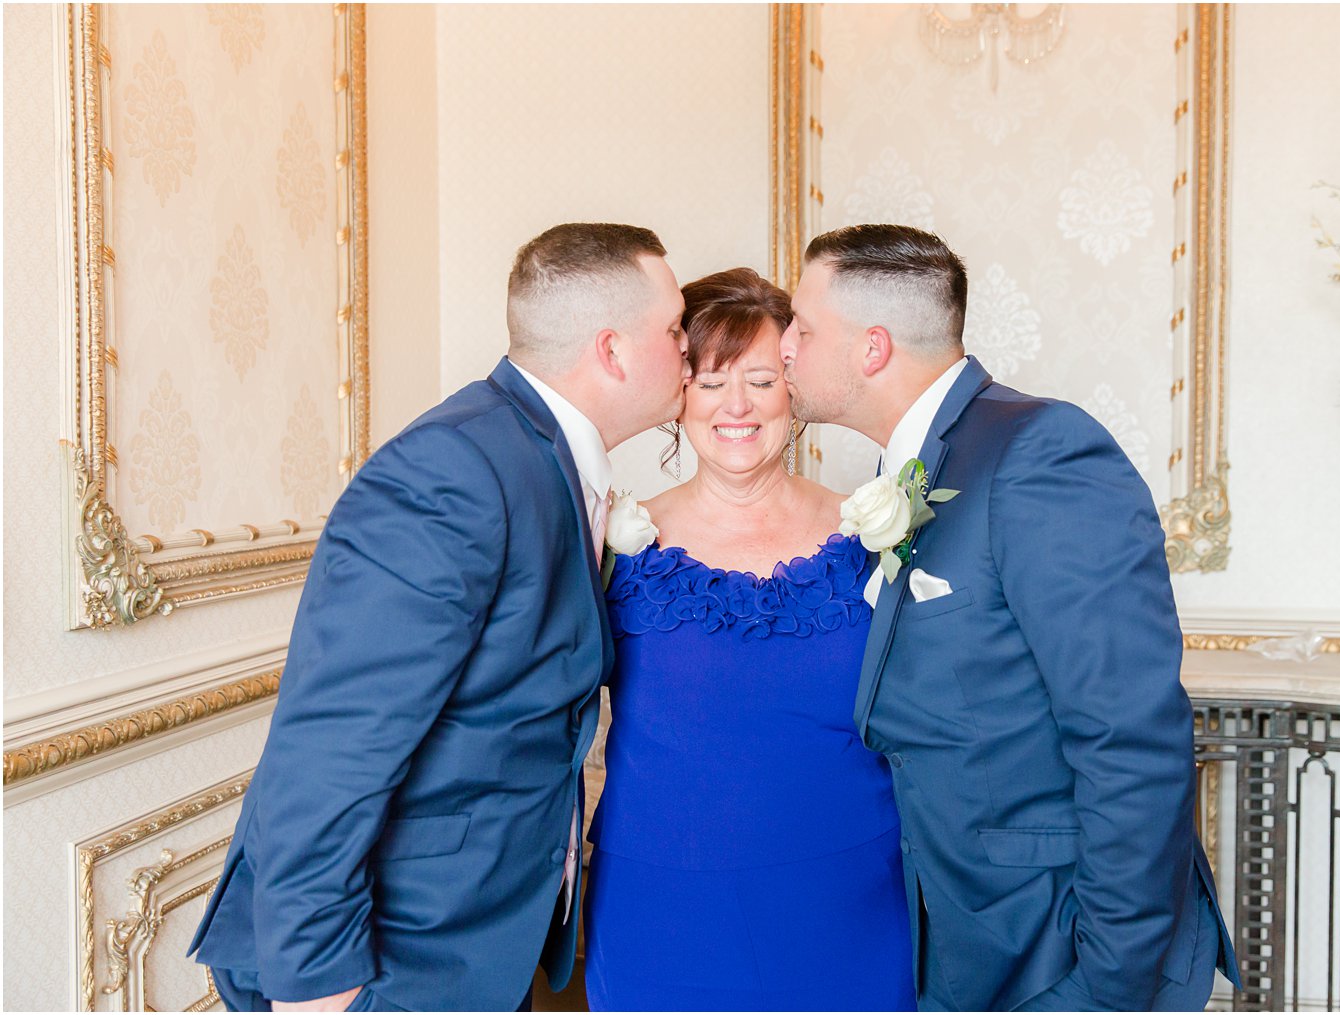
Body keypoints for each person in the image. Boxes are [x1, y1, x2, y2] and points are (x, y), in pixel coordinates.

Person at [188, 223, 691, 1012]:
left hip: (476, 938)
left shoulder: (538, 456)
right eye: (673, 328)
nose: (687, 345)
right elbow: (331, 742)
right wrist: (318, 982)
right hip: (394, 955)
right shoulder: (455, 469)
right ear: (613, 350)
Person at [777, 224, 1242, 1012]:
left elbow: (1130, 733)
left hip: (1061, 947)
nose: (783, 346)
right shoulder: (913, 467)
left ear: (873, 348)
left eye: (803, 326)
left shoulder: (1041, 454)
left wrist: (1109, 983)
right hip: (966, 933)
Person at [583, 267, 915, 1011]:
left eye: (762, 381)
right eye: (710, 382)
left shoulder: (872, 532)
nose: (737, 406)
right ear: (679, 395)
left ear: (795, 389)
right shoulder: (611, 541)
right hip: (662, 905)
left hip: (848, 900)